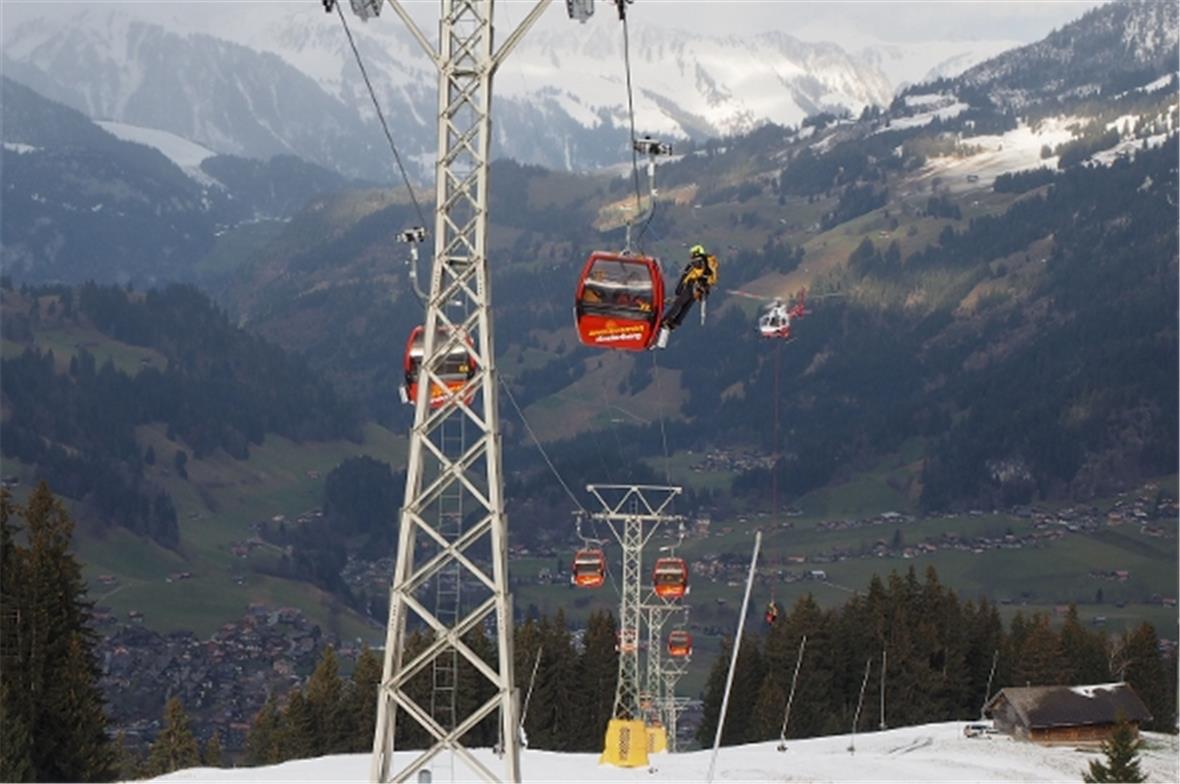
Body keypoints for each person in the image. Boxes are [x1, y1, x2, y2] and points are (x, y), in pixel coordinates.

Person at [656, 244, 718, 348]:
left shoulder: (697, 262)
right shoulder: (709, 262)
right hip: (699, 289)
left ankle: (666, 320)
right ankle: (675, 323)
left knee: (679, 303)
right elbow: (711, 278)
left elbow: (687, 275)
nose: (691, 257)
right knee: (686, 306)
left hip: (692, 285)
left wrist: (679, 288)